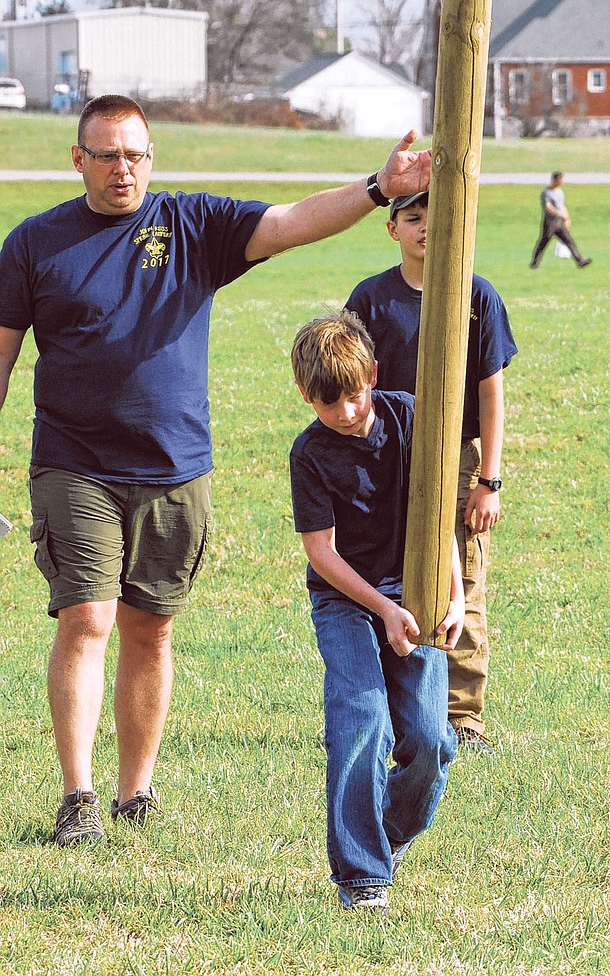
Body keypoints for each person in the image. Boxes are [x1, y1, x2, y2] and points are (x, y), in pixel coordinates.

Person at [0, 94, 432, 847]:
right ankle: (79, 796)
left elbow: (291, 223)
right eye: (106, 155)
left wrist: (377, 191)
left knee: (152, 630)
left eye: (135, 154)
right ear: (79, 160)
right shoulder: (35, 245)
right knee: (87, 617)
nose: (122, 168)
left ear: (151, 158)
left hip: (175, 467)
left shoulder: (189, 226)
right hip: (74, 463)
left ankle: (137, 791)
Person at [289, 311, 464, 914]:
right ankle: (362, 874)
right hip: (346, 600)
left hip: (415, 591)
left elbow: (438, 512)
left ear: (374, 376)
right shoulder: (309, 454)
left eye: (355, 394)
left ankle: (379, 835)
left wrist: (454, 592)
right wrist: (384, 610)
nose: (346, 412)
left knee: (432, 741)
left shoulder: (408, 415)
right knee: (363, 721)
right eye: (328, 402)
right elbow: (321, 553)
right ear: (305, 396)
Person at [345, 192, 517, 753]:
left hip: (457, 457)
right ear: (392, 228)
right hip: (384, 453)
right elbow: (349, 384)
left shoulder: (477, 295)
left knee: (461, 580)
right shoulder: (369, 299)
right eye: (413, 218)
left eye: (435, 218)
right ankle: (395, 706)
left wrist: (488, 480)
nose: (425, 229)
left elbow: (492, 395)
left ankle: (463, 716)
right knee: (383, 573)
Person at [530, 171, 592, 269]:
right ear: (555, 180)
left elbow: (562, 206)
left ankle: (580, 261)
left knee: (569, 241)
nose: (562, 182)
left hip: (559, 223)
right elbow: (548, 206)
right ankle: (535, 262)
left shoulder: (560, 192)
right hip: (550, 223)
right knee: (543, 242)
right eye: (561, 180)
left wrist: (567, 217)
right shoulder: (546, 192)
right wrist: (559, 214)